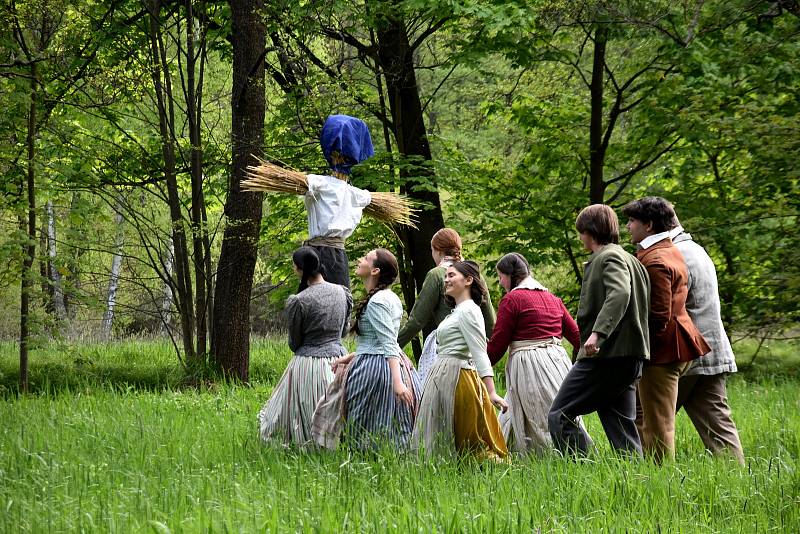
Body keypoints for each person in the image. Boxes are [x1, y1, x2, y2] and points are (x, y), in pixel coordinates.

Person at [548, 204, 650, 457]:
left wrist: (597, 334)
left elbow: (620, 294)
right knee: (620, 426)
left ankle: (581, 471)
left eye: (581, 231)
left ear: (590, 230)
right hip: (629, 357)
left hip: (607, 356)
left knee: (560, 414)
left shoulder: (609, 257)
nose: (580, 237)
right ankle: (634, 483)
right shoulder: (632, 260)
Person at [622, 197, 710, 463]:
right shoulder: (668, 249)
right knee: (650, 418)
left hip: (664, 351)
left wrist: (641, 351)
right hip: (676, 343)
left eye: (632, 221)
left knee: (658, 425)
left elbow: (659, 315)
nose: (627, 227)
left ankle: (661, 481)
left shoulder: (656, 259)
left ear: (648, 225)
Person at [313, 248, 421, 450]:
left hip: (377, 370)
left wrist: (397, 383)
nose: (360, 260)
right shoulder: (388, 297)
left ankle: (369, 460)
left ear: (375, 271)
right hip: (382, 361)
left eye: (366, 258)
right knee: (384, 423)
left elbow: (388, 343)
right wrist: (351, 357)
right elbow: (378, 341)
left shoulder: (378, 301)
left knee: (365, 422)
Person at [487, 252, 586, 454]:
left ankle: (547, 456)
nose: (500, 282)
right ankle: (568, 453)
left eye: (501, 276)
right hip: (558, 362)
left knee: (537, 414)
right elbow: (577, 337)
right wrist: (577, 366)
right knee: (557, 409)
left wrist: (479, 365)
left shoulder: (512, 300)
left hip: (529, 364)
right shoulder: (552, 299)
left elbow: (498, 344)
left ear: (511, 275)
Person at [412, 261, 509, 460]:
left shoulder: (469, 311)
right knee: (445, 433)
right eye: (445, 276)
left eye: (451, 275)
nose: (446, 280)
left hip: (458, 377)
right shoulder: (457, 312)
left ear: (468, 280)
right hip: (444, 374)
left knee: (467, 439)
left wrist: (491, 391)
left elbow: (480, 352)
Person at [258, 247, 352, 446]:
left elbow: (295, 343)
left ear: (300, 269)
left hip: (307, 365)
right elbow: (344, 331)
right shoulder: (342, 293)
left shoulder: (299, 301)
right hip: (340, 361)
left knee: (293, 413)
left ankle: (307, 440)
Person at [669, 218, 745, 464]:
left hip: (686, 353)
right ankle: (737, 482)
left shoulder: (674, 254)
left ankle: (644, 480)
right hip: (712, 351)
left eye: (633, 221)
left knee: (646, 419)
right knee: (719, 426)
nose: (629, 227)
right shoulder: (697, 250)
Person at [397, 228, 495, 384]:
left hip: (445, 351)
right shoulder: (473, 274)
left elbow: (417, 321)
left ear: (438, 251)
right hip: (472, 352)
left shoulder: (436, 275)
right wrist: (488, 355)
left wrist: (394, 346)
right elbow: (490, 321)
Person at [303, 115, 376, 288]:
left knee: (320, 302)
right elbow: (368, 197)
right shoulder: (357, 194)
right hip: (335, 255)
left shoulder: (318, 183)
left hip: (320, 253)